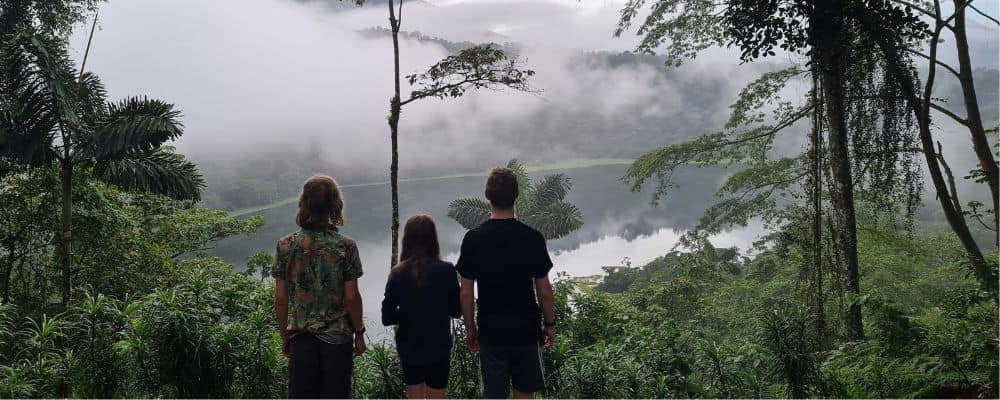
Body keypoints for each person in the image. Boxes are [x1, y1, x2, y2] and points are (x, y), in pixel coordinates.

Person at [456, 167, 556, 399]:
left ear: (487, 196)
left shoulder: (474, 239)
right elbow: (544, 289)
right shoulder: (532, 238)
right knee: (524, 393)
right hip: (526, 330)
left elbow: (466, 292)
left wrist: (471, 329)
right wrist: (549, 324)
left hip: (491, 331)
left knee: (494, 395)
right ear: (517, 195)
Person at [272, 174, 366, 399]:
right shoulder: (345, 246)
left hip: (301, 339)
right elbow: (352, 297)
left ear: (303, 202)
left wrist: (285, 334)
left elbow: (280, 298)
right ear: (335, 205)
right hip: (337, 340)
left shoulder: (286, 245)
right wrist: (359, 333)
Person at [381, 214, 460, 399]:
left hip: (410, 347)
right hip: (438, 345)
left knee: (414, 394)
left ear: (406, 240)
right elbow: (456, 311)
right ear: (433, 239)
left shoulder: (397, 273)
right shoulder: (446, 270)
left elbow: (387, 317)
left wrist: (409, 316)